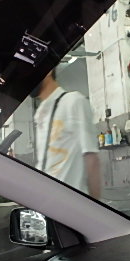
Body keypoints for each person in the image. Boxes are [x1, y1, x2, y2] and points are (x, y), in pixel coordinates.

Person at [32, 70, 101, 199]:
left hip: (70, 202)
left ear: (48, 71)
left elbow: (91, 158)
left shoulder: (74, 101)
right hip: (47, 200)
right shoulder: (41, 113)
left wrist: (95, 205)